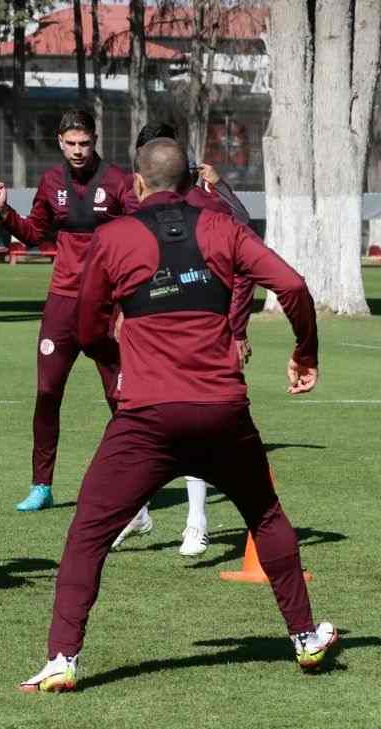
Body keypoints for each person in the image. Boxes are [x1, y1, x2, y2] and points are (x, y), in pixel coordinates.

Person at [19, 138, 335, 692]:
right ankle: (305, 638)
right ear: (189, 182)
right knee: (265, 516)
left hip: (146, 420)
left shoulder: (114, 236)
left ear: (136, 185)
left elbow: (89, 325)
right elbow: (292, 284)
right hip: (222, 413)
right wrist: (304, 353)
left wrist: (116, 361)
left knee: (88, 533)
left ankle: (63, 658)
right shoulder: (221, 227)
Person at [0, 108, 137, 512]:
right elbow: (34, 233)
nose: (78, 151)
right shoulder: (52, 182)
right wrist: (4, 210)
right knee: (48, 392)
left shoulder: (119, 182)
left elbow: (140, 237)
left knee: (120, 397)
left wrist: (128, 305)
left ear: (95, 140)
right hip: (63, 303)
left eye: (85, 143)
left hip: (108, 305)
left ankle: (134, 484)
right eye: (71, 144)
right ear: (60, 142)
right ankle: (41, 485)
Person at [112, 122, 255, 557]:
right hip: (144, 336)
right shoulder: (132, 206)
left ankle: (197, 522)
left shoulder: (204, 204)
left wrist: (237, 329)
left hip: (197, 336)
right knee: (132, 421)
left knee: (192, 428)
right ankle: (135, 513)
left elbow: (243, 251)